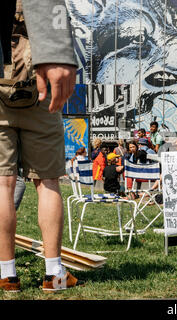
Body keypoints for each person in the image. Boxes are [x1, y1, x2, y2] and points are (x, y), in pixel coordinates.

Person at [0, 0, 82, 292]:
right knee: (47, 182)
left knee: (2, 185)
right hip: (39, 90)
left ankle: (7, 275)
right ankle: (54, 273)